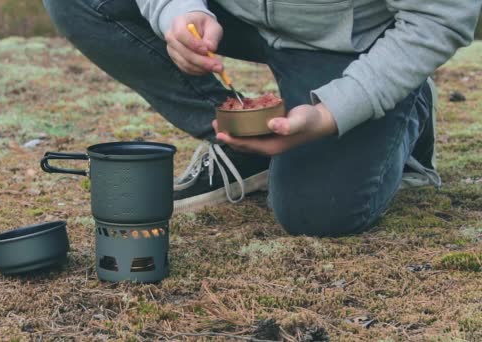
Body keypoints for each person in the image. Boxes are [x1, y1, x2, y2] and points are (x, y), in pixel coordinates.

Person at [42, 0, 481, 236]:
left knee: (318, 216)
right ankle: (244, 148)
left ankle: (407, 100)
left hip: (352, 43)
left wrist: (335, 111)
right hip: (236, 14)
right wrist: (179, 12)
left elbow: (442, 16)